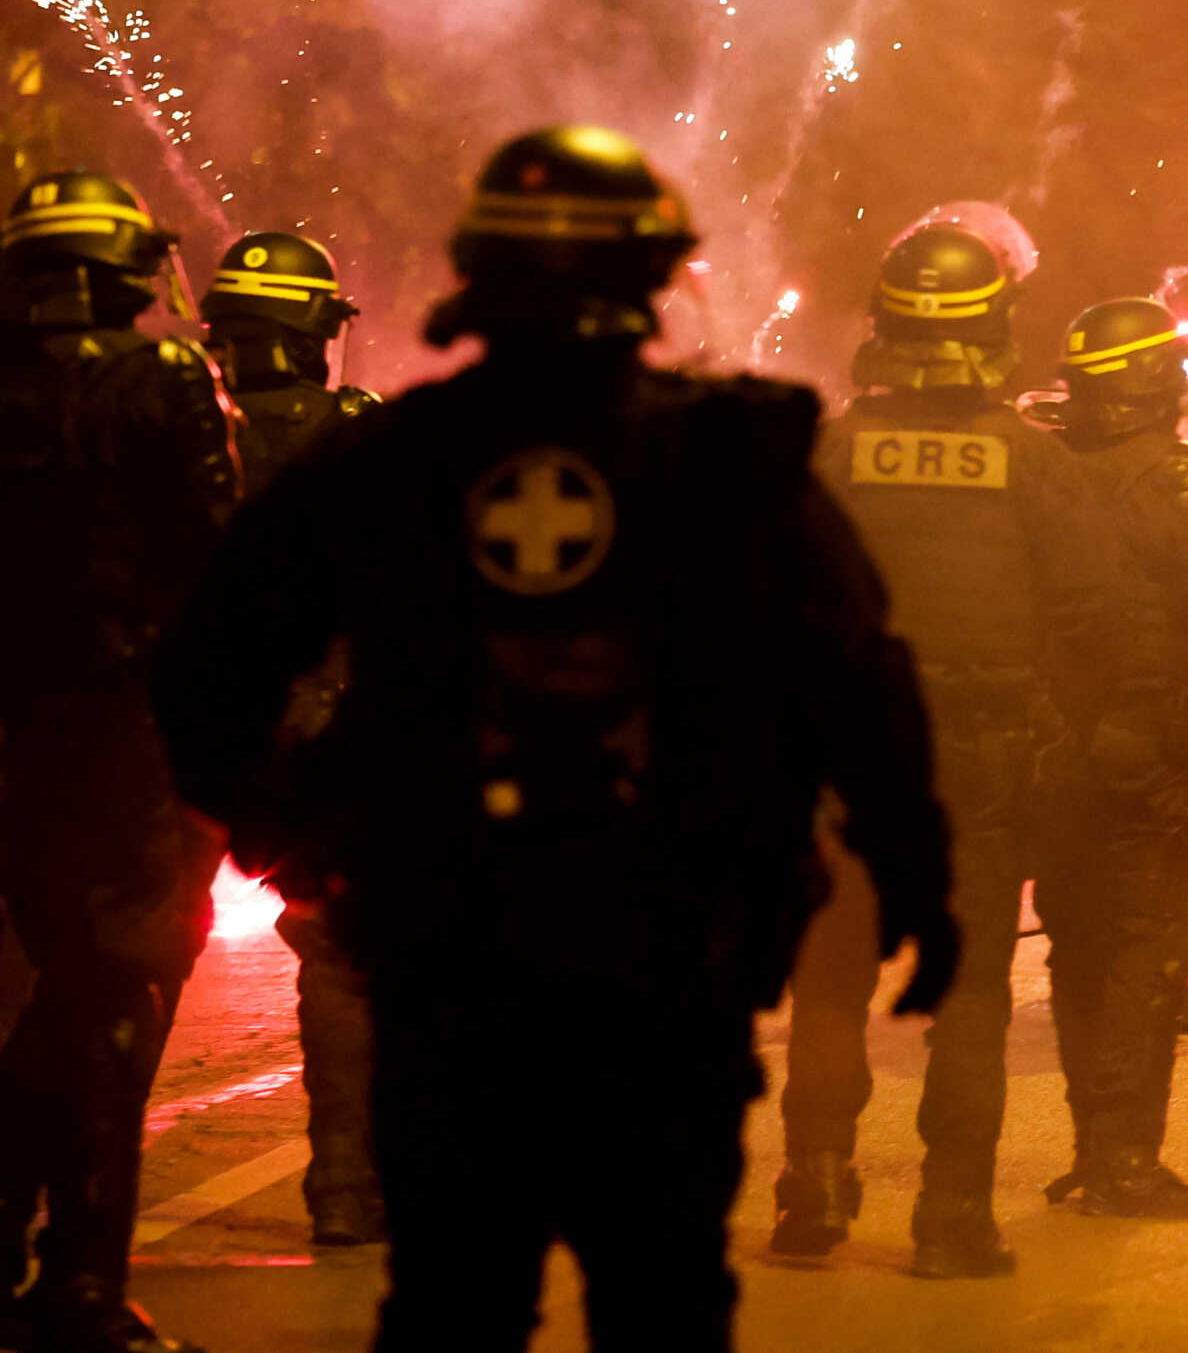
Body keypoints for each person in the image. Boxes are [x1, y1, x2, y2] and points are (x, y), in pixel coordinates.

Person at [149, 126, 959, 1351]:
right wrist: (916, 880)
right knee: (662, 1298)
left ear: (473, 273)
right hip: (670, 957)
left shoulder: (386, 459)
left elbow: (205, 670)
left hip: (446, 946)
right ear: (653, 280)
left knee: (456, 1302)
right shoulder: (732, 458)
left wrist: (295, 843)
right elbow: (856, 679)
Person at [773, 212, 1112, 1278]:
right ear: (997, 329)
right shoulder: (1030, 462)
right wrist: (1057, 725)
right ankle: (954, 1219)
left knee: (830, 984)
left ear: (883, 328)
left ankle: (813, 1195)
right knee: (966, 995)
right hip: (981, 761)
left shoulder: (823, 452)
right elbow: (1092, 615)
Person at [0, 171, 237, 1353]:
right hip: (132, 744)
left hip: (14, 739)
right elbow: (214, 566)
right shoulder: (163, 383)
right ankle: (77, 1283)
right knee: (117, 1005)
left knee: (58, 989)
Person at [1038, 298, 1188, 1217]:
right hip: (1143, 748)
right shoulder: (1179, 479)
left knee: (1078, 952)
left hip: (1050, 748)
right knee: (1145, 960)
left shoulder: (1044, 470)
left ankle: (1090, 1148)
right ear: (1152, 381)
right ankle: (1123, 1161)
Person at [198, 231, 385, 1246]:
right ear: (321, 333)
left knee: (98, 974)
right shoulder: (364, 441)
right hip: (327, 738)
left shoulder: (164, 426)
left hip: (163, 730)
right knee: (344, 956)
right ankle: (349, 1187)